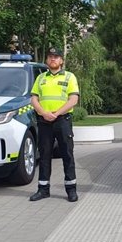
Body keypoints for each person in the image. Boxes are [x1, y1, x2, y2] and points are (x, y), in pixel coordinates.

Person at [29, 47, 80, 202]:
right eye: (50, 56)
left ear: (61, 61)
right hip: (44, 121)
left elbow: (73, 99)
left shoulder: (69, 77)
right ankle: (43, 189)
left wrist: (56, 113)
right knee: (44, 155)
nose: (53, 59)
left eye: (56, 57)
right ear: (47, 60)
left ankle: (71, 190)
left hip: (62, 120)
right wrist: (44, 113)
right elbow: (34, 99)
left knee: (67, 154)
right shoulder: (41, 78)